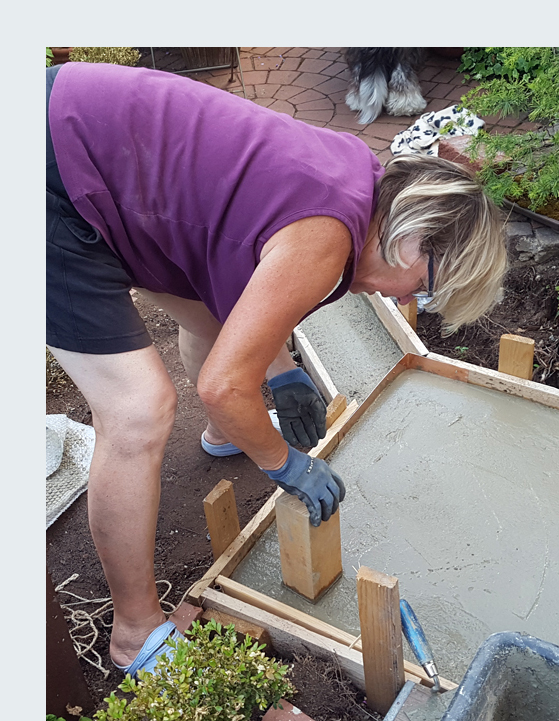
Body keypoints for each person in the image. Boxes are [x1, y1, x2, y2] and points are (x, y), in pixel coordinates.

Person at [46, 61, 508, 678]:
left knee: (216, 330)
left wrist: (283, 371)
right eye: (423, 287)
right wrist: (282, 462)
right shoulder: (328, 238)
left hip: (96, 145)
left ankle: (223, 437)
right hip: (53, 172)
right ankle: (134, 632)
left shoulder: (361, 182)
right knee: (137, 412)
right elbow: (222, 385)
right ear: (411, 243)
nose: (407, 300)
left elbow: (244, 276)